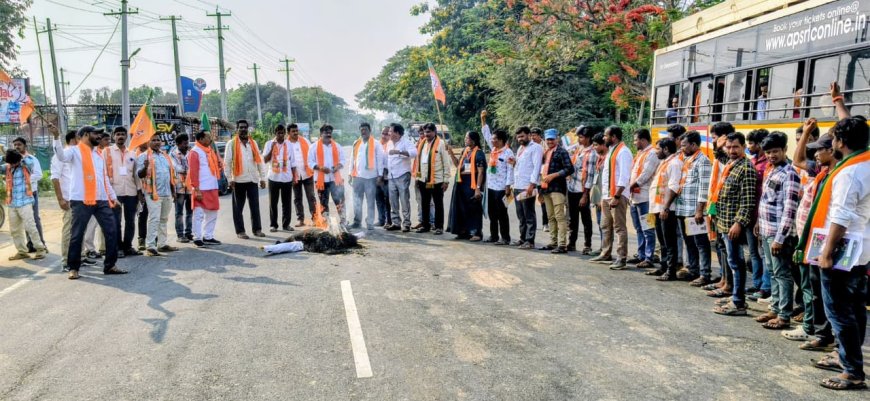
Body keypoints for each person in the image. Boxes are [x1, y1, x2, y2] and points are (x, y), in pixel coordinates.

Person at [802, 115, 869, 390]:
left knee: (839, 311)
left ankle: (852, 370)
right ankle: (847, 360)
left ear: (839, 142)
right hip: (861, 249)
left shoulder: (849, 172)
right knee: (854, 309)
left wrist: (827, 253)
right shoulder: (864, 163)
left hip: (842, 249)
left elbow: (841, 215)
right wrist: (841, 106)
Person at [785, 118, 836, 350]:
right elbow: (798, 160)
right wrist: (805, 132)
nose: (814, 155)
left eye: (818, 151)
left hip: (825, 238)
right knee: (814, 285)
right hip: (811, 236)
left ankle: (823, 332)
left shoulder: (839, 173)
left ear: (832, 150)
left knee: (823, 289)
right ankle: (820, 329)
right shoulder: (821, 170)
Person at [52, 126, 126, 280]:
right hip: (81, 200)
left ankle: (110, 265)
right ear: (85, 135)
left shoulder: (98, 155)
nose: (99, 136)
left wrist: (112, 197)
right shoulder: (74, 151)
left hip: (101, 199)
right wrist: (56, 137)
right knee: (77, 234)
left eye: (99, 134)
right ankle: (73, 267)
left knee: (111, 231)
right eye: (95, 133)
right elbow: (60, 156)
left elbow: (103, 178)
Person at [752, 132, 802, 330]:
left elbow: (790, 210)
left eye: (775, 151)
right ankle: (774, 308)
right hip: (766, 230)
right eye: (769, 152)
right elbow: (766, 200)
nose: (772, 155)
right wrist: (758, 223)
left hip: (778, 234)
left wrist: (779, 239)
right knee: (772, 272)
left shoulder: (790, 174)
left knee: (782, 274)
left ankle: (784, 315)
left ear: (784, 150)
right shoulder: (772, 171)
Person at [712, 132, 757, 316]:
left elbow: (747, 201)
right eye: (728, 147)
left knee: (737, 263)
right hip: (724, 222)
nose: (731, 150)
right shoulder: (732, 165)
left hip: (733, 225)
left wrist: (738, 223)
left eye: (735, 147)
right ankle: (736, 297)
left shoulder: (746, 168)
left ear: (743, 147)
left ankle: (738, 301)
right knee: (732, 262)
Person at [52, 131, 96, 271]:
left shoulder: (80, 155)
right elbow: (55, 178)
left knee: (79, 229)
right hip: (68, 199)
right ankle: (66, 261)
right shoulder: (61, 155)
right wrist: (61, 199)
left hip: (81, 199)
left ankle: (80, 257)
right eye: (82, 138)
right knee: (69, 230)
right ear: (74, 139)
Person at [591, 126, 634, 269]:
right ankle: (605, 253)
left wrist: (617, 196)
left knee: (619, 228)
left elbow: (624, 176)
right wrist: (604, 196)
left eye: (605, 136)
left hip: (617, 196)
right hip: (607, 195)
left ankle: (621, 258)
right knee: (605, 225)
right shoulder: (612, 151)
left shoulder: (623, 152)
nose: (603, 138)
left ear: (613, 137)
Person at [676, 131, 713, 286]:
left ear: (694, 145)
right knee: (689, 242)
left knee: (701, 244)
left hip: (694, 210)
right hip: (683, 208)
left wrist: (699, 210)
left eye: (684, 145)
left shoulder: (702, 161)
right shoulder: (686, 159)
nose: (682, 148)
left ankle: (705, 274)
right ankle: (693, 269)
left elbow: (704, 188)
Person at [645, 138, 683, 279]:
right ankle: (663, 267)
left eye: (658, 149)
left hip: (667, 209)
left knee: (669, 241)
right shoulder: (664, 163)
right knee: (662, 241)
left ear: (666, 149)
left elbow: (674, 187)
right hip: (658, 208)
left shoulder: (674, 163)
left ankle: (671, 271)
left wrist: (665, 208)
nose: (656, 152)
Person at [224, 119, 267, 239]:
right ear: (237, 129)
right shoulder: (231, 144)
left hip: (252, 180)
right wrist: (229, 179)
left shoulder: (253, 143)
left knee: (255, 206)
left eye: (245, 127)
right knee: (238, 208)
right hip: (238, 180)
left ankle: (257, 229)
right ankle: (240, 231)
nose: (243, 129)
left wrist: (263, 178)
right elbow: (226, 163)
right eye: (241, 127)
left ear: (247, 129)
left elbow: (259, 161)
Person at [137, 136, 178, 256]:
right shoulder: (143, 156)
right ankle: (150, 246)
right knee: (154, 219)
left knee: (164, 219)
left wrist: (173, 191)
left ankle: (162, 244)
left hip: (167, 192)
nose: (156, 142)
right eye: (153, 140)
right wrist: (145, 167)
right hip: (152, 193)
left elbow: (170, 174)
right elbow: (139, 175)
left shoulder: (165, 155)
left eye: (158, 140)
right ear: (148, 142)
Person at [3, 149, 47, 261]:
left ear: (18, 160)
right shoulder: (8, 167)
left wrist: (19, 158)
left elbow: (29, 161)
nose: (12, 165)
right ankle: (22, 251)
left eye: (14, 162)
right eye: (10, 163)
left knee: (30, 226)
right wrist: (4, 157)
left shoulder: (26, 165)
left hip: (25, 201)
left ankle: (40, 249)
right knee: (15, 230)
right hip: (12, 203)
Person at [104, 127, 141, 257]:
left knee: (130, 221)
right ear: (113, 136)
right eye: (118, 134)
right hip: (115, 192)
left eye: (123, 134)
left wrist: (139, 192)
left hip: (131, 192)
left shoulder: (132, 153)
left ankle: (128, 246)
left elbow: (136, 175)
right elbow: (103, 173)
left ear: (126, 137)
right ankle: (118, 248)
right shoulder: (107, 152)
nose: (120, 136)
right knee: (116, 221)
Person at [538, 128, 574, 253]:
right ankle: (553, 242)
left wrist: (554, 175)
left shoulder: (562, 152)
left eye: (552, 139)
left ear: (557, 139)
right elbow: (542, 171)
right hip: (546, 189)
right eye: (548, 139)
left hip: (557, 188)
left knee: (560, 217)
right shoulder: (546, 152)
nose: (550, 141)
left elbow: (569, 169)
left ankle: (562, 244)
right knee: (550, 217)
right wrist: (540, 191)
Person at [627, 128, 659, 269]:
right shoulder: (641, 153)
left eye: (635, 140)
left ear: (643, 140)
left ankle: (648, 257)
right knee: (638, 228)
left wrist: (630, 186)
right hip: (635, 196)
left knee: (648, 228)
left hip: (645, 197)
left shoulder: (652, 154)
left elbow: (646, 174)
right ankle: (641, 255)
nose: (634, 143)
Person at [412, 122, 452, 235]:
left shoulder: (441, 144)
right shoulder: (422, 143)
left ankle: (439, 227)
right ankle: (426, 225)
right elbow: (420, 162)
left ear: (435, 132)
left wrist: (446, 181)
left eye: (429, 132)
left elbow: (446, 164)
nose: (426, 134)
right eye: (425, 132)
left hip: (437, 180)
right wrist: (417, 177)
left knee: (438, 204)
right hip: (423, 179)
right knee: (424, 203)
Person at [447, 131, 487, 240]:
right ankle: (463, 231)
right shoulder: (465, 151)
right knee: (461, 208)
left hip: (472, 183)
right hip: (461, 183)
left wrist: (478, 189)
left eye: (467, 138)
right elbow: (457, 165)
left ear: (473, 140)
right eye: (465, 138)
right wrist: (451, 153)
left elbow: (481, 172)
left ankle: (476, 233)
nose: (465, 140)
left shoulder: (479, 153)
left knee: (473, 208)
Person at [746, 128, 771, 301]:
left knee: (764, 255)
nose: (749, 146)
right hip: (751, 212)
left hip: (761, 216)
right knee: (754, 252)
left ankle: (765, 287)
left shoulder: (767, 164)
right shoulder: (753, 161)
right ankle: (757, 283)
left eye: (752, 143)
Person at [481, 116, 514, 245]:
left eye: (494, 139)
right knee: (492, 213)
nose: (492, 140)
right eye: (492, 139)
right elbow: (486, 134)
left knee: (502, 214)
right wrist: (483, 121)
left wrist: (508, 186)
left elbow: (510, 170)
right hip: (491, 186)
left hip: (501, 188)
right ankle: (494, 236)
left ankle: (505, 238)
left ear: (501, 140)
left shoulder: (508, 153)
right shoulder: (494, 149)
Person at [188, 130, 222, 247]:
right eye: (208, 137)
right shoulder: (195, 152)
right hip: (201, 188)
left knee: (213, 213)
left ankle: (208, 236)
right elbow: (193, 172)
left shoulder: (210, 151)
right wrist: (196, 189)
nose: (210, 139)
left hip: (212, 186)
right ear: (201, 139)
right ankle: (197, 237)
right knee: (199, 214)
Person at [510, 126, 543, 249]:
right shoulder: (520, 148)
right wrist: (513, 163)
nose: (520, 139)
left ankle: (530, 241)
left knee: (529, 214)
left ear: (529, 135)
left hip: (527, 186)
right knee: (521, 215)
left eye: (522, 136)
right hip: (518, 185)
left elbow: (536, 167)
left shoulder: (536, 148)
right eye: (518, 137)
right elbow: (520, 166)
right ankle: (522, 238)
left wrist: (532, 184)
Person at [350, 122, 386, 230]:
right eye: (361, 129)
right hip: (357, 176)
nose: (363, 131)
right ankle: (357, 222)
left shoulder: (376, 143)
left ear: (370, 130)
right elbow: (353, 159)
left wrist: (380, 175)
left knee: (370, 201)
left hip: (371, 177)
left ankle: (370, 223)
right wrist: (349, 173)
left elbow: (380, 160)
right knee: (357, 200)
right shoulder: (356, 143)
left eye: (365, 129)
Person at [308, 124, 347, 225]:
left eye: (330, 132)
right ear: (321, 134)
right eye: (326, 132)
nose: (328, 134)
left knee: (340, 201)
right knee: (323, 203)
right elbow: (310, 162)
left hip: (335, 179)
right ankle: (326, 222)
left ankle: (343, 221)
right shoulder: (313, 147)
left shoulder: (337, 146)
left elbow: (343, 160)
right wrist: (321, 168)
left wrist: (337, 167)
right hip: (321, 181)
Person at [11, 137, 44, 253]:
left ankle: (41, 244)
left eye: (19, 144)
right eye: (14, 145)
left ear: (25, 146)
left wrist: (26, 181)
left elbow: (39, 175)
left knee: (33, 219)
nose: (16, 147)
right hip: (17, 196)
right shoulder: (12, 162)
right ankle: (30, 245)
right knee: (24, 220)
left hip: (31, 193)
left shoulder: (31, 159)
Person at [569, 126, 598, 255]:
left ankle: (587, 244)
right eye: (578, 137)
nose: (579, 139)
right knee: (573, 218)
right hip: (572, 187)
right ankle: (572, 242)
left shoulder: (592, 153)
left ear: (588, 138)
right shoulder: (578, 149)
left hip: (582, 190)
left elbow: (590, 176)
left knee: (585, 218)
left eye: (581, 137)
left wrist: (585, 195)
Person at [383, 123, 417, 232]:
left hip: (402, 174)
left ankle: (406, 223)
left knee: (404, 199)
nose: (389, 133)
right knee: (393, 200)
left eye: (391, 131)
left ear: (397, 133)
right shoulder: (388, 144)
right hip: (391, 175)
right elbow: (387, 159)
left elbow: (414, 153)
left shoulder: (406, 142)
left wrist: (399, 152)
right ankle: (396, 222)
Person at [263, 124, 297, 232]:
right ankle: (273, 225)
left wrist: (294, 177)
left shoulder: (289, 145)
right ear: (275, 133)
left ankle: (286, 225)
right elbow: (265, 160)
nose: (281, 135)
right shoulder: (269, 144)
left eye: (282, 133)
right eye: (278, 133)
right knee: (273, 203)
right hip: (273, 178)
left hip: (287, 178)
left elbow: (293, 163)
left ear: (285, 133)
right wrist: (272, 148)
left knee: (286, 203)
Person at [285, 124, 317, 226]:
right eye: (293, 131)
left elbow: (312, 155)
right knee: (297, 198)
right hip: (294, 176)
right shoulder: (286, 144)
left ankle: (315, 218)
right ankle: (300, 219)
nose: (295, 133)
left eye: (296, 131)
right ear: (288, 133)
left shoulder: (305, 141)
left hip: (307, 174)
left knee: (311, 197)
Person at [170, 133, 194, 242]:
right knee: (179, 212)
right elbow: (177, 168)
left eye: (187, 143)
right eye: (184, 143)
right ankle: (180, 235)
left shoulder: (190, 153)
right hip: (179, 187)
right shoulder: (173, 154)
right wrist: (189, 170)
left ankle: (189, 233)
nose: (187, 145)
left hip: (190, 187)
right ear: (178, 144)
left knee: (190, 211)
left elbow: (193, 167)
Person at [530, 127, 549, 232]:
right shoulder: (529, 145)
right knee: (530, 199)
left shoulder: (545, 146)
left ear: (539, 136)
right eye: (531, 135)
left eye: (534, 135)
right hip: (531, 176)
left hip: (542, 175)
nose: (532, 137)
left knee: (543, 200)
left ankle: (545, 223)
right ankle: (531, 223)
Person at [375, 127, 392, 227]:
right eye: (383, 133)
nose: (384, 136)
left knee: (387, 200)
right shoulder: (377, 144)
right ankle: (381, 219)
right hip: (376, 176)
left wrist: (383, 174)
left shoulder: (392, 145)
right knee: (378, 199)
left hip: (387, 176)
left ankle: (389, 221)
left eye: (387, 134)